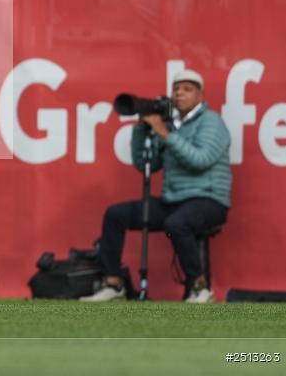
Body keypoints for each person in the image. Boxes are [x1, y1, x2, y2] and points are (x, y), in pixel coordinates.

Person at [81, 69, 231, 303]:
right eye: (176, 89)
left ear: (201, 96)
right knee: (115, 215)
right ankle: (114, 284)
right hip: (174, 201)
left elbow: (200, 160)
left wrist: (163, 132)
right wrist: (141, 129)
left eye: (187, 89)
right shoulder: (173, 126)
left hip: (209, 200)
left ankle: (200, 287)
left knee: (176, 224)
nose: (179, 93)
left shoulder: (212, 121)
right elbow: (145, 164)